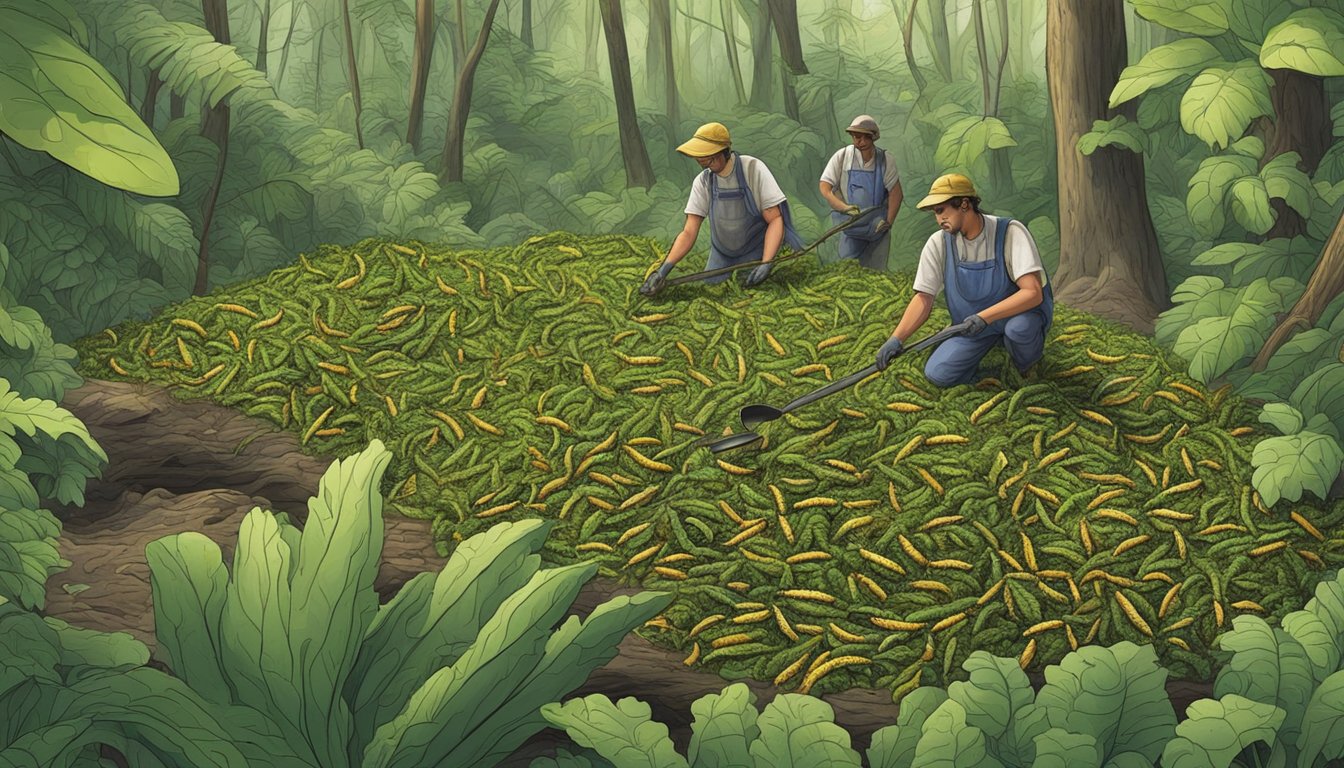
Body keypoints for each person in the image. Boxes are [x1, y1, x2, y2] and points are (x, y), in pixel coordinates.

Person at [873, 173, 1054, 386]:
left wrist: (984, 317)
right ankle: (983, 357)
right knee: (937, 373)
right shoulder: (939, 243)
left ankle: (1025, 366)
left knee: (1019, 330)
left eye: (942, 210)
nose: (939, 219)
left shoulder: (1009, 232)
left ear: (965, 204)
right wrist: (897, 338)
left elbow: (1032, 293)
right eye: (935, 213)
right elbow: (924, 297)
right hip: (971, 328)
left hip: (1018, 317)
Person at [640, 122, 804, 295]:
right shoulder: (703, 181)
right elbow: (689, 232)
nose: (705, 166)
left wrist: (766, 262)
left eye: (708, 159)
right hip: (722, 255)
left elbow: (775, 219)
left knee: (751, 293)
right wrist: (663, 270)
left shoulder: (752, 169)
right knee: (713, 288)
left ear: (723, 152)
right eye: (701, 161)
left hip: (756, 252)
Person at [819, 115, 904, 271]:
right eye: (857, 137)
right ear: (852, 136)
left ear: (873, 138)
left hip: (877, 228)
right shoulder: (842, 157)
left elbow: (896, 194)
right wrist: (843, 207)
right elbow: (825, 187)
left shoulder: (885, 160)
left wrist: (888, 223)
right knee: (848, 270)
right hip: (851, 227)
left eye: (866, 138)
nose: (861, 142)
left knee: (877, 272)